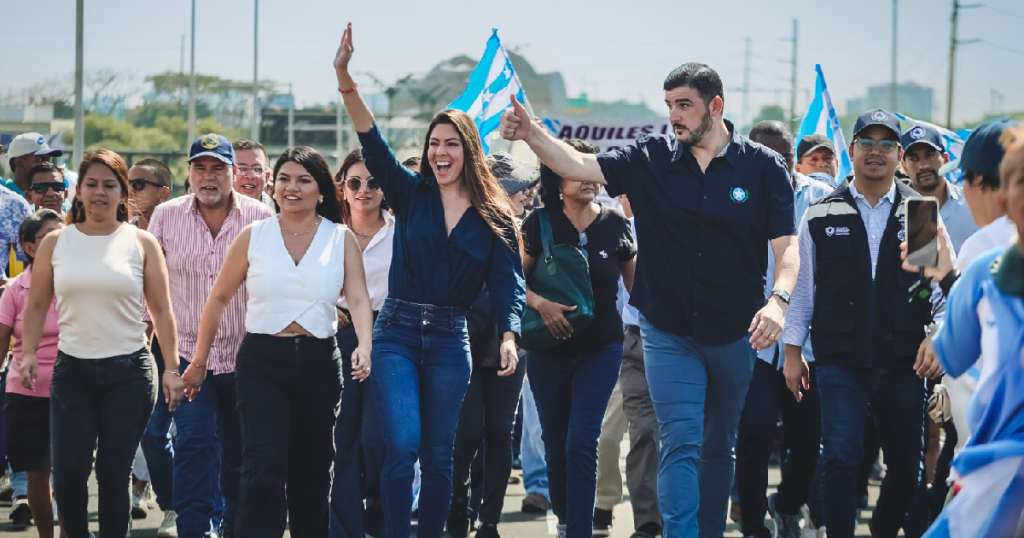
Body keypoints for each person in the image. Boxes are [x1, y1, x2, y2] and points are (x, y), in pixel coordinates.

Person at [500, 62, 797, 538]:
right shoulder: (648, 157)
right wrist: (531, 133)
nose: (674, 116)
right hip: (667, 330)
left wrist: (778, 301)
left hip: (734, 331)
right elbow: (578, 166)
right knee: (680, 440)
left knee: (718, 447)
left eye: (684, 105)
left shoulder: (763, 168)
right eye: (669, 106)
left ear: (715, 107)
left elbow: (788, 247)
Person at [334, 25, 525, 538]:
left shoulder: (495, 216)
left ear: (469, 151)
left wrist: (509, 334)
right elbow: (371, 140)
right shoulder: (409, 192)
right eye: (434, 143)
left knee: (441, 457)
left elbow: (508, 283)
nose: (441, 151)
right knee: (401, 445)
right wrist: (344, 76)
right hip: (395, 332)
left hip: (449, 338)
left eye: (451, 144)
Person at [781, 110, 948, 538]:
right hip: (840, 360)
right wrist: (792, 352)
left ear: (899, 155)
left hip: (903, 360)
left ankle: (882, 528)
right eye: (867, 143)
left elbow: (936, 287)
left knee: (906, 468)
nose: (876, 151)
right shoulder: (821, 213)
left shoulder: (919, 213)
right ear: (851, 150)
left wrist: (936, 334)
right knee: (841, 455)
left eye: (886, 144)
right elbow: (803, 288)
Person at [193, 145, 373, 538]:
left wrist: (365, 345)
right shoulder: (254, 235)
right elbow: (218, 298)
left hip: (319, 362)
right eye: (285, 179)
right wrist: (199, 361)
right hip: (262, 362)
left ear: (321, 190)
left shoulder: (339, 238)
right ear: (274, 187)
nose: (293, 188)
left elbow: (359, 299)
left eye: (304, 180)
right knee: (263, 466)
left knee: (314, 469)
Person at [19, 148, 184, 537]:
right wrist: (27, 354)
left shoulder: (142, 242)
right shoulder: (56, 243)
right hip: (72, 372)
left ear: (123, 192)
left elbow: (162, 310)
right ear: (78, 192)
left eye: (109, 185)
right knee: (69, 474)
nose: (99, 192)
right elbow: (37, 304)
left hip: (129, 373)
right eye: (91, 184)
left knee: (113, 474)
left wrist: (173, 368)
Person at [148, 134, 274, 538]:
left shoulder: (260, 216)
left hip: (245, 358)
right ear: (188, 173)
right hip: (187, 356)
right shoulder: (165, 217)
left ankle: (234, 527)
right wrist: (161, 361)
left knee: (240, 454)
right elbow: (150, 290)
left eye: (218, 168)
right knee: (192, 444)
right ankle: (194, 529)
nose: (209, 177)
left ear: (233, 173)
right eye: (200, 168)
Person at [911, 126, 1024, 538]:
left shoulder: (984, 256)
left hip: (996, 468)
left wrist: (945, 275)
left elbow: (954, 352)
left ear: (978, 181)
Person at [521, 140, 636, 538]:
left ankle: (579, 531)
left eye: (592, 169)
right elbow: (514, 281)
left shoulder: (616, 223)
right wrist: (542, 305)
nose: (588, 178)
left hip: (602, 348)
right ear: (556, 176)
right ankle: (567, 519)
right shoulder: (538, 223)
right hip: (547, 349)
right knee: (555, 444)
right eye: (577, 168)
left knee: (583, 442)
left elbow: (639, 289)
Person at [735, 121, 831, 538]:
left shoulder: (823, 199)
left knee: (808, 439)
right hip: (753, 343)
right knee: (753, 436)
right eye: (766, 155)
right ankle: (754, 525)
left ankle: (788, 505)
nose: (775, 163)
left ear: (795, 158)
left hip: (807, 344)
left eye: (783, 156)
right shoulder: (736, 197)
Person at [447, 153, 535, 538]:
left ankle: (490, 520)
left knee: (499, 432)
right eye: (518, 188)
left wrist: (510, 335)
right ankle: (458, 507)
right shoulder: (461, 225)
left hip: (509, 342)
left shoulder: (528, 230)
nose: (527, 194)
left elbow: (521, 288)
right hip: (463, 340)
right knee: (467, 433)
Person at [329, 147, 396, 538]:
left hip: (389, 337)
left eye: (373, 182)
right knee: (341, 437)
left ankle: (379, 515)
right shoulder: (328, 233)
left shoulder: (401, 231)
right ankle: (344, 528)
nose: (363, 190)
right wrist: (327, 306)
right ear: (342, 187)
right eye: (354, 182)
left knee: (378, 437)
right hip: (338, 337)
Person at [593, 192, 662, 538]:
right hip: (623, 344)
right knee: (609, 434)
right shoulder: (616, 230)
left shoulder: (676, 225)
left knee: (661, 435)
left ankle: (656, 518)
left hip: (673, 343)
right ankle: (605, 502)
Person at [0, 209, 63, 538]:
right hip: (26, 394)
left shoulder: (78, 284)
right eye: (50, 236)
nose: (60, 241)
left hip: (75, 391)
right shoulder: (15, 290)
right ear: (29, 247)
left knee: (72, 471)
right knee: (38, 474)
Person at [900, 124, 978, 252]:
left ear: (946, 159)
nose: (923, 165)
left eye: (930, 155)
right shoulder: (892, 210)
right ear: (904, 167)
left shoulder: (972, 203)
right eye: (914, 158)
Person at [4, 133, 63, 198]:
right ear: (20, 163)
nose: (47, 165)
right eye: (40, 160)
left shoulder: (56, 195)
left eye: (48, 159)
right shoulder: (4, 196)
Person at [128, 158, 172, 231]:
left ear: (163, 194)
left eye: (138, 184)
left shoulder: (178, 232)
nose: (130, 190)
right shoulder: (121, 233)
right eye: (127, 184)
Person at [232, 139, 275, 207]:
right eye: (242, 169)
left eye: (257, 169)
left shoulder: (278, 209)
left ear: (267, 177)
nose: (250, 176)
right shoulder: (215, 209)